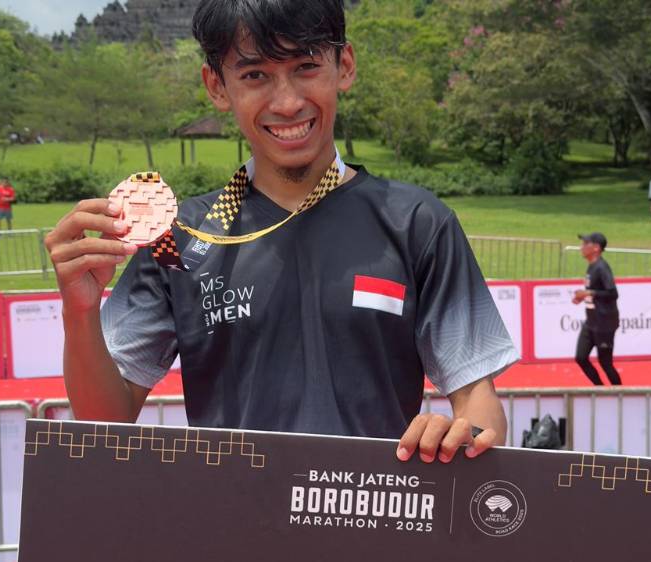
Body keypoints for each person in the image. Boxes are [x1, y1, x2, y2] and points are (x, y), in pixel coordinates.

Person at [43, 0, 517, 466]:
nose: (288, 102)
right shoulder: (179, 238)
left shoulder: (417, 222)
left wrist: (463, 436)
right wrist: (79, 312)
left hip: (374, 514)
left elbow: (477, 400)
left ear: (344, 66)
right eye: (255, 75)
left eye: (306, 66)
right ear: (217, 86)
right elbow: (106, 421)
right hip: (232, 515)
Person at [572, 233, 622, 386]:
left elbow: (613, 293)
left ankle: (620, 393)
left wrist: (588, 293)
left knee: (605, 363)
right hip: (592, 321)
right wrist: (584, 296)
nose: (581, 247)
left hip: (605, 323)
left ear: (596, 248)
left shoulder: (602, 267)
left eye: (585, 243)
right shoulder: (592, 265)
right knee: (581, 358)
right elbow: (597, 292)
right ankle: (600, 389)